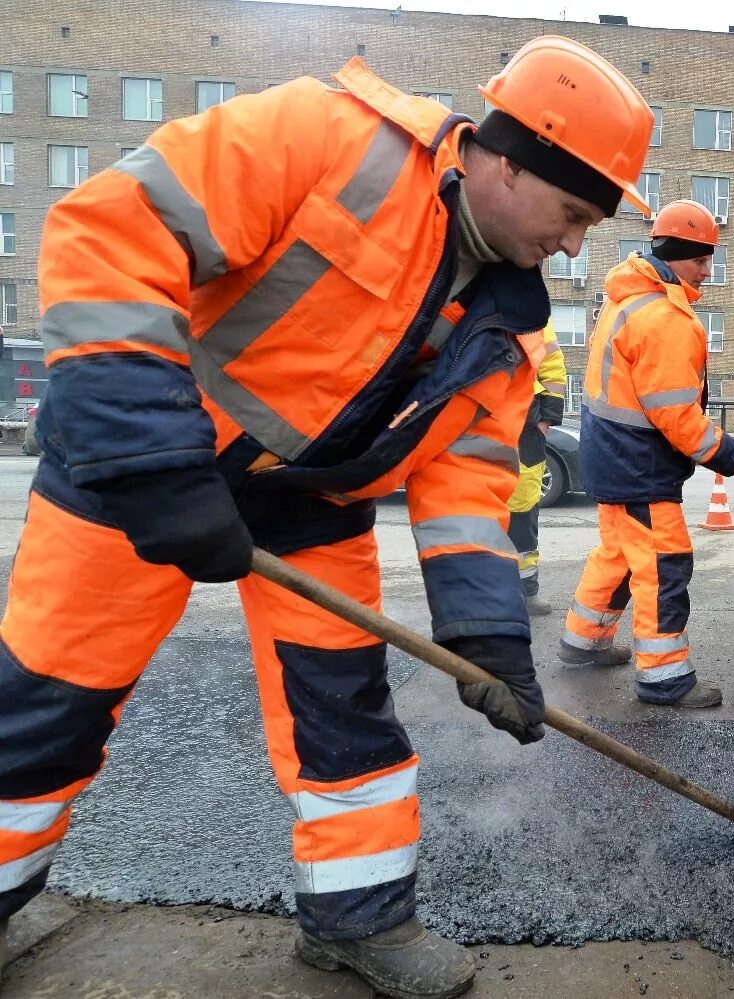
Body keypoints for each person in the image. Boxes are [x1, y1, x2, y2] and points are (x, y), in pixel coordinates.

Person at [0, 36, 654, 999]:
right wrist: (152, 457)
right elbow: (112, 229)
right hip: (136, 475)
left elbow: (466, 488)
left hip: (309, 506)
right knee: (49, 703)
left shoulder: (509, 331)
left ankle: (360, 918)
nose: (572, 247)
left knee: (344, 718)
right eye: (573, 216)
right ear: (513, 161)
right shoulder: (328, 138)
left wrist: (489, 640)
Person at [561, 200, 734, 708]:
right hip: (639, 466)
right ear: (675, 254)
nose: (707, 270)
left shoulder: (627, 299)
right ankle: (664, 678)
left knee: (619, 556)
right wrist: (729, 454)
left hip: (610, 459)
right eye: (701, 259)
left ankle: (583, 641)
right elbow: (676, 415)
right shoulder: (666, 317)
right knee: (665, 565)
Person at [507, 319, 567, 617]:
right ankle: (482, 595)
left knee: (523, 508)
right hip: (473, 423)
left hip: (524, 427)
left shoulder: (532, 315)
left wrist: (545, 423)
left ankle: (526, 591)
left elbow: (553, 368)